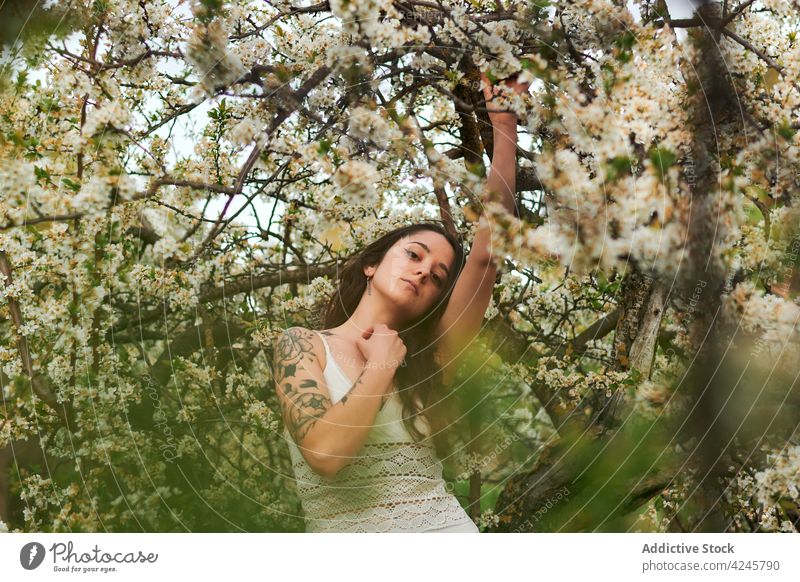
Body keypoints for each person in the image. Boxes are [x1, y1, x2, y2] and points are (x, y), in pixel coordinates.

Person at [273, 72, 529, 532]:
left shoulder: (433, 356)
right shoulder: (302, 345)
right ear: (371, 265)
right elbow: (326, 454)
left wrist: (504, 124)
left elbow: (488, 255)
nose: (422, 271)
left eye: (437, 276)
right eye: (413, 254)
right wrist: (379, 365)